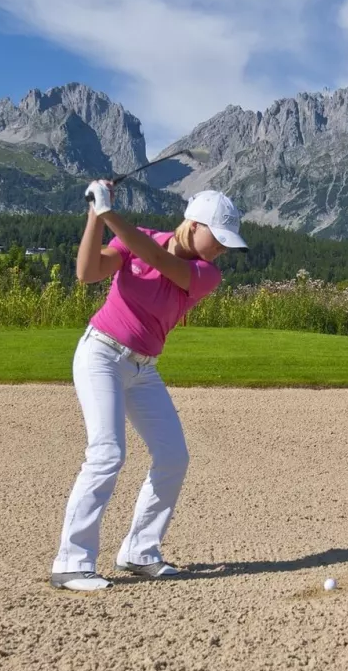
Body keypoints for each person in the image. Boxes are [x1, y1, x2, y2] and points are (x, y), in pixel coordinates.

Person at [49, 181, 246, 593]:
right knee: (107, 453)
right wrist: (94, 215)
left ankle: (140, 551)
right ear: (194, 225)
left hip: (143, 369)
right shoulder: (131, 242)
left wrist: (108, 213)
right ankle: (72, 561)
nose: (221, 249)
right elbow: (86, 273)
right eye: (218, 239)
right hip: (100, 355)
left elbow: (155, 256)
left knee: (173, 455)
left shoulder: (206, 273)